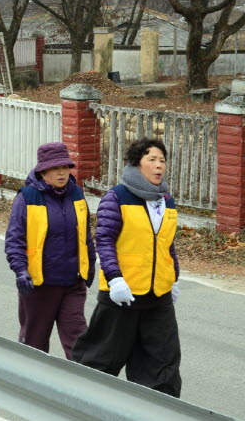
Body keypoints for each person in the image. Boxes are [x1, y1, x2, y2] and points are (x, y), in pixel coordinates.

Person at [72, 138, 181, 397]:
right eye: (151, 159)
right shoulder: (117, 197)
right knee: (102, 358)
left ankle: (157, 410)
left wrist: (173, 277)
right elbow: (105, 240)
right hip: (123, 294)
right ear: (137, 164)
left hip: (158, 295)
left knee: (162, 363)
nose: (159, 165)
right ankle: (83, 403)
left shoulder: (166, 200)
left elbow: (167, 244)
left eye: (162, 160)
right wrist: (115, 279)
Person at [4, 142, 96, 358]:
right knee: (34, 343)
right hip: (39, 285)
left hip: (73, 283)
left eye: (65, 167)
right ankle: (30, 379)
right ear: (43, 171)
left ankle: (81, 379)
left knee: (79, 341)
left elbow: (85, 235)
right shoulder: (27, 197)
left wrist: (90, 264)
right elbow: (15, 240)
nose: (62, 173)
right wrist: (21, 270)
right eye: (55, 168)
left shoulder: (76, 194)